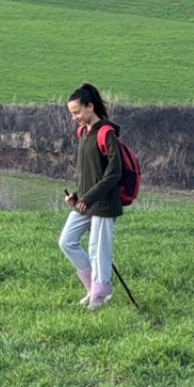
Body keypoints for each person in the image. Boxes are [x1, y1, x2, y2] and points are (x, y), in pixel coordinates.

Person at [60, 83, 123, 310]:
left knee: (98, 248)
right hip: (86, 201)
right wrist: (77, 197)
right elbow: (91, 172)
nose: (74, 117)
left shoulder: (106, 133)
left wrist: (90, 197)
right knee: (67, 241)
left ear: (90, 106)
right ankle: (93, 287)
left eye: (76, 112)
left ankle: (101, 293)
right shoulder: (83, 134)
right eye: (72, 113)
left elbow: (115, 172)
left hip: (104, 202)